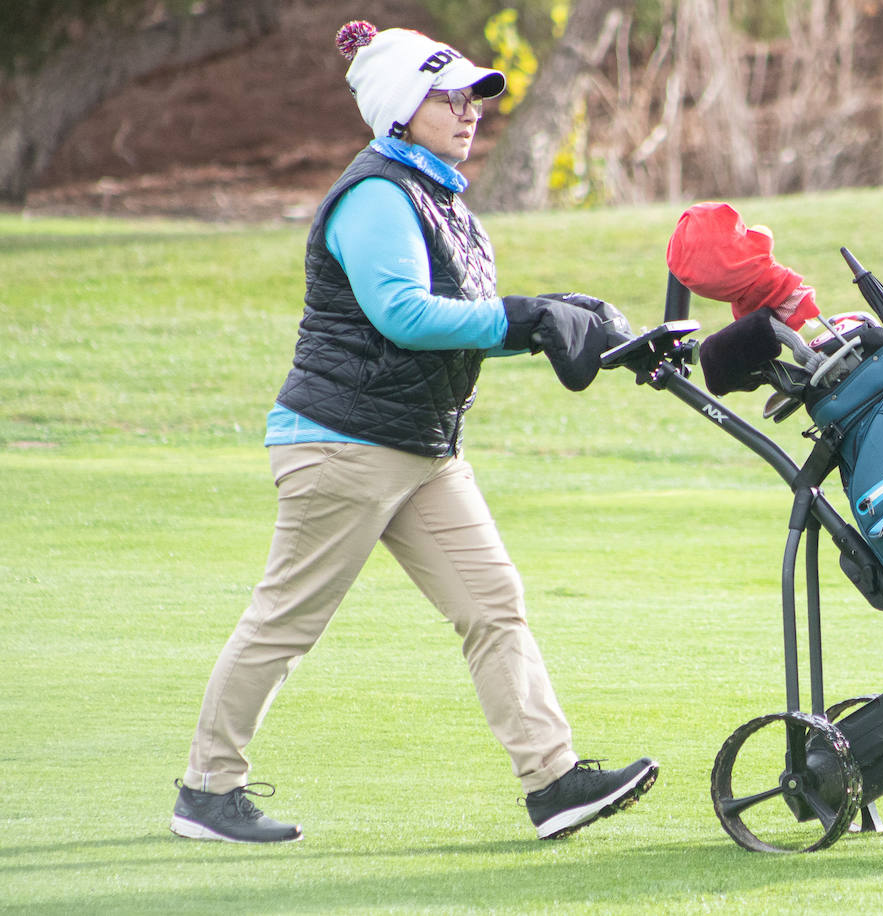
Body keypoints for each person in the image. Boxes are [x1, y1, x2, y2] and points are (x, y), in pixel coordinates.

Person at [170, 20, 656, 844]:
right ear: (401, 110)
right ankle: (208, 792)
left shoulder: (440, 200)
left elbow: (452, 328)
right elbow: (403, 316)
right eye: (448, 96)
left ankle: (553, 782)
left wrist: (540, 329)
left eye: (473, 97)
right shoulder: (376, 195)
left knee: (493, 604)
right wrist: (522, 317)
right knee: (287, 620)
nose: (469, 110)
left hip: (421, 447)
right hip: (341, 444)